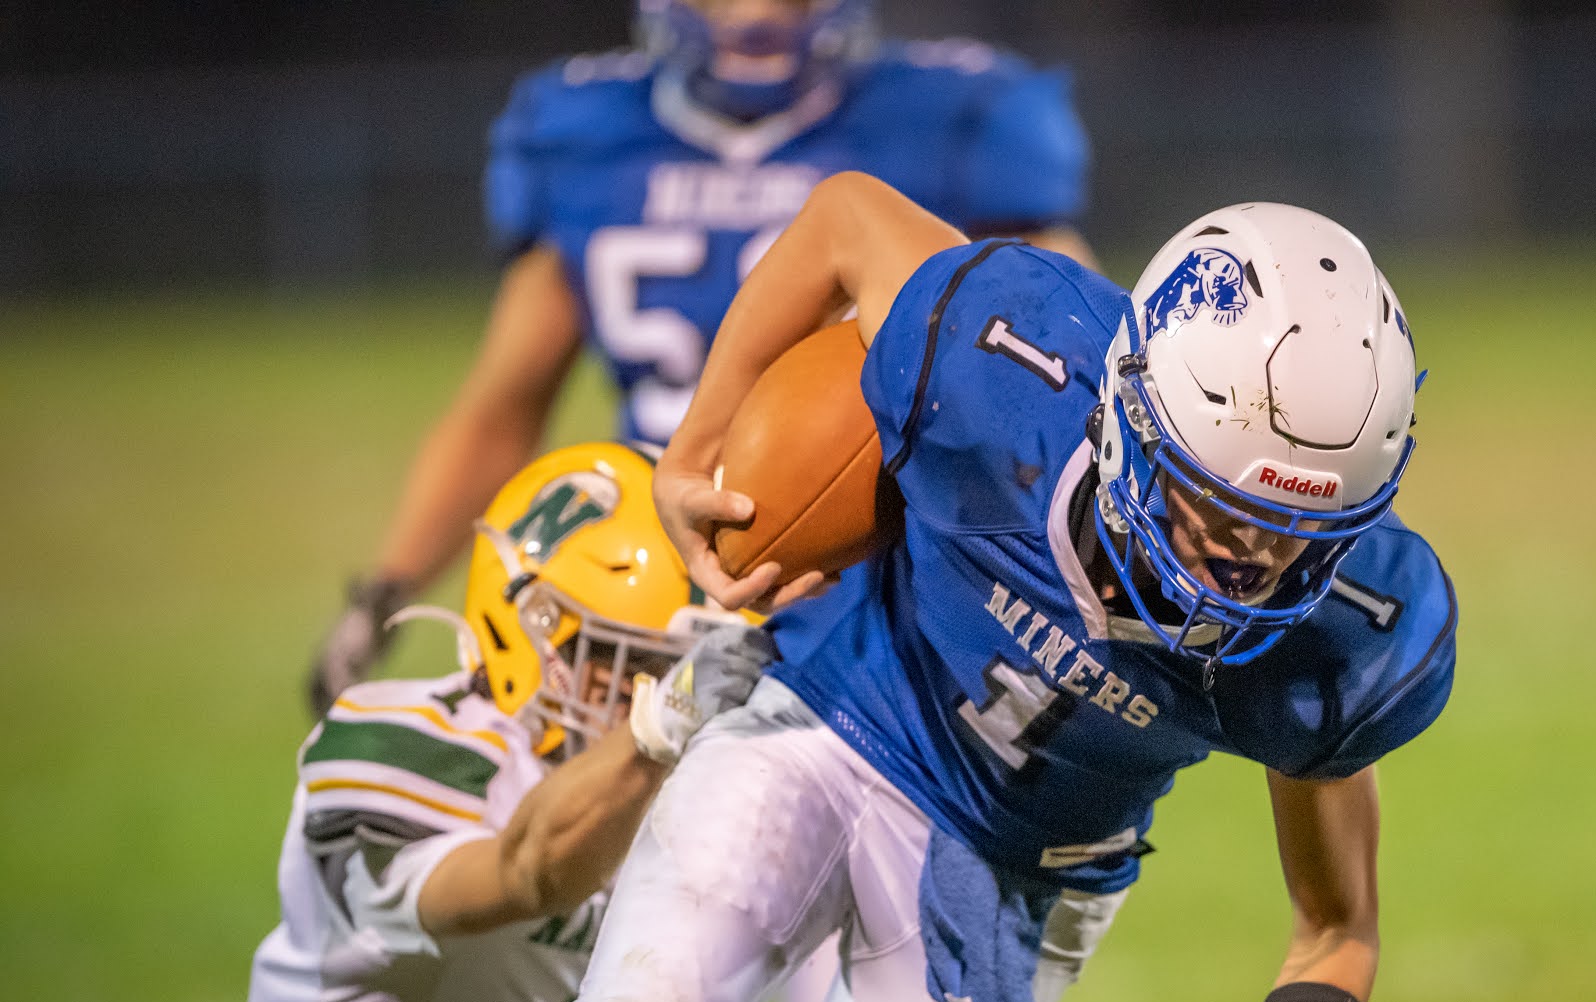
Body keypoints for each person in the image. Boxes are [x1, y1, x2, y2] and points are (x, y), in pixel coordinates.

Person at [206, 171, 1456, 1002]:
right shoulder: (1010, 348)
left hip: (1014, 891)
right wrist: (695, 443)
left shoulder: (1351, 636)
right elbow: (846, 220)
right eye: (1212, 506)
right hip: (826, 727)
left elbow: (1336, 926)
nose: (1243, 564)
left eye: (1292, 535)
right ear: (1128, 406)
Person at [306, 0, 1092, 716]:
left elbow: (1076, 355)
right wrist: (385, 590)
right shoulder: (586, 132)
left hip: (873, 581)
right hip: (645, 581)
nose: (756, 12)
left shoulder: (947, 118)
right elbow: (503, 409)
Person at [174, 443, 777, 1002]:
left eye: (676, 666)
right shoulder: (396, 746)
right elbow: (528, 873)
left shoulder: (663, 783)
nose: (646, 694)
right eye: (625, 663)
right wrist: (661, 732)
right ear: (525, 625)